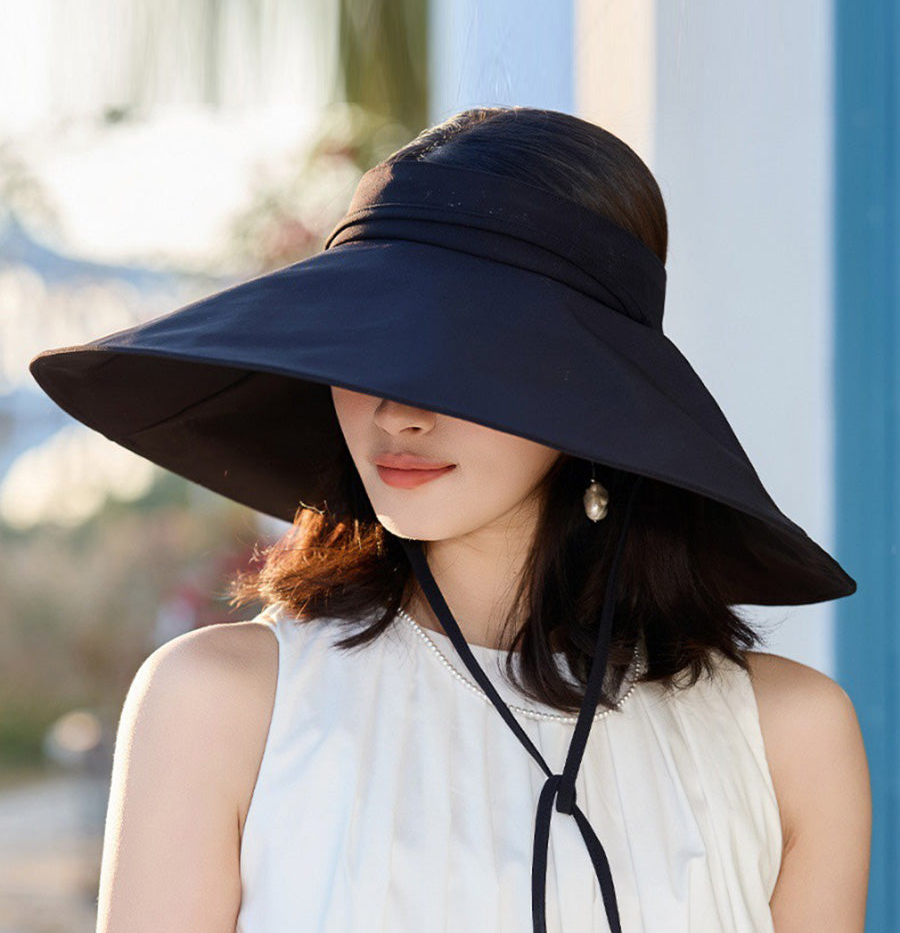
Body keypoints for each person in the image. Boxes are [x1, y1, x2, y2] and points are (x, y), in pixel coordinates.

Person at [29, 106, 871, 932]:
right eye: (369, 345)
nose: (399, 409)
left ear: (594, 387)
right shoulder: (225, 704)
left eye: (467, 356)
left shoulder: (787, 737)